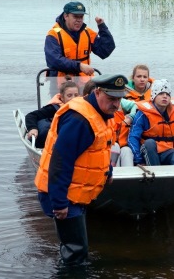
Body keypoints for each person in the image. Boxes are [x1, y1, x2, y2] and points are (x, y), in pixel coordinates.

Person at [34, 74, 128, 265]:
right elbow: (61, 162)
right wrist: (59, 203)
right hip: (64, 194)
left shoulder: (100, 113)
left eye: (119, 99)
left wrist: (107, 171)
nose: (116, 104)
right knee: (76, 253)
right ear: (97, 92)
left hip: (77, 191)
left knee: (77, 247)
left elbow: (99, 149)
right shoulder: (79, 120)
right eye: (111, 98)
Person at [44, 1, 115, 79]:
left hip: (85, 84)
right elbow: (54, 61)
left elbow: (105, 51)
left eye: (81, 17)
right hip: (61, 85)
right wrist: (79, 66)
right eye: (75, 17)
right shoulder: (53, 35)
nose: (79, 20)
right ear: (65, 16)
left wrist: (102, 26)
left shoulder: (88, 33)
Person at [25, 80, 79, 148]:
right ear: (62, 97)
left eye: (76, 95)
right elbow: (31, 116)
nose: (73, 98)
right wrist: (33, 128)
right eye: (69, 95)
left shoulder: (83, 109)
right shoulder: (53, 108)